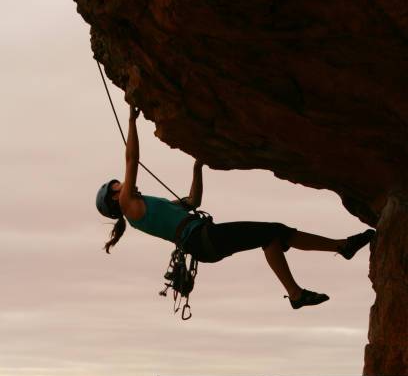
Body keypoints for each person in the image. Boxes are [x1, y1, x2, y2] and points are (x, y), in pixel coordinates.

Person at [96, 105, 375, 310]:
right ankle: (297, 293)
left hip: (205, 239)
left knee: (277, 232)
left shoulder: (147, 206)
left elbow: (193, 201)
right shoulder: (129, 207)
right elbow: (132, 159)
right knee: (269, 234)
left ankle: (341, 247)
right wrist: (131, 121)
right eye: (117, 185)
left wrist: (197, 167)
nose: (122, 183)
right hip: (203, 240)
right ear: (114, 199)